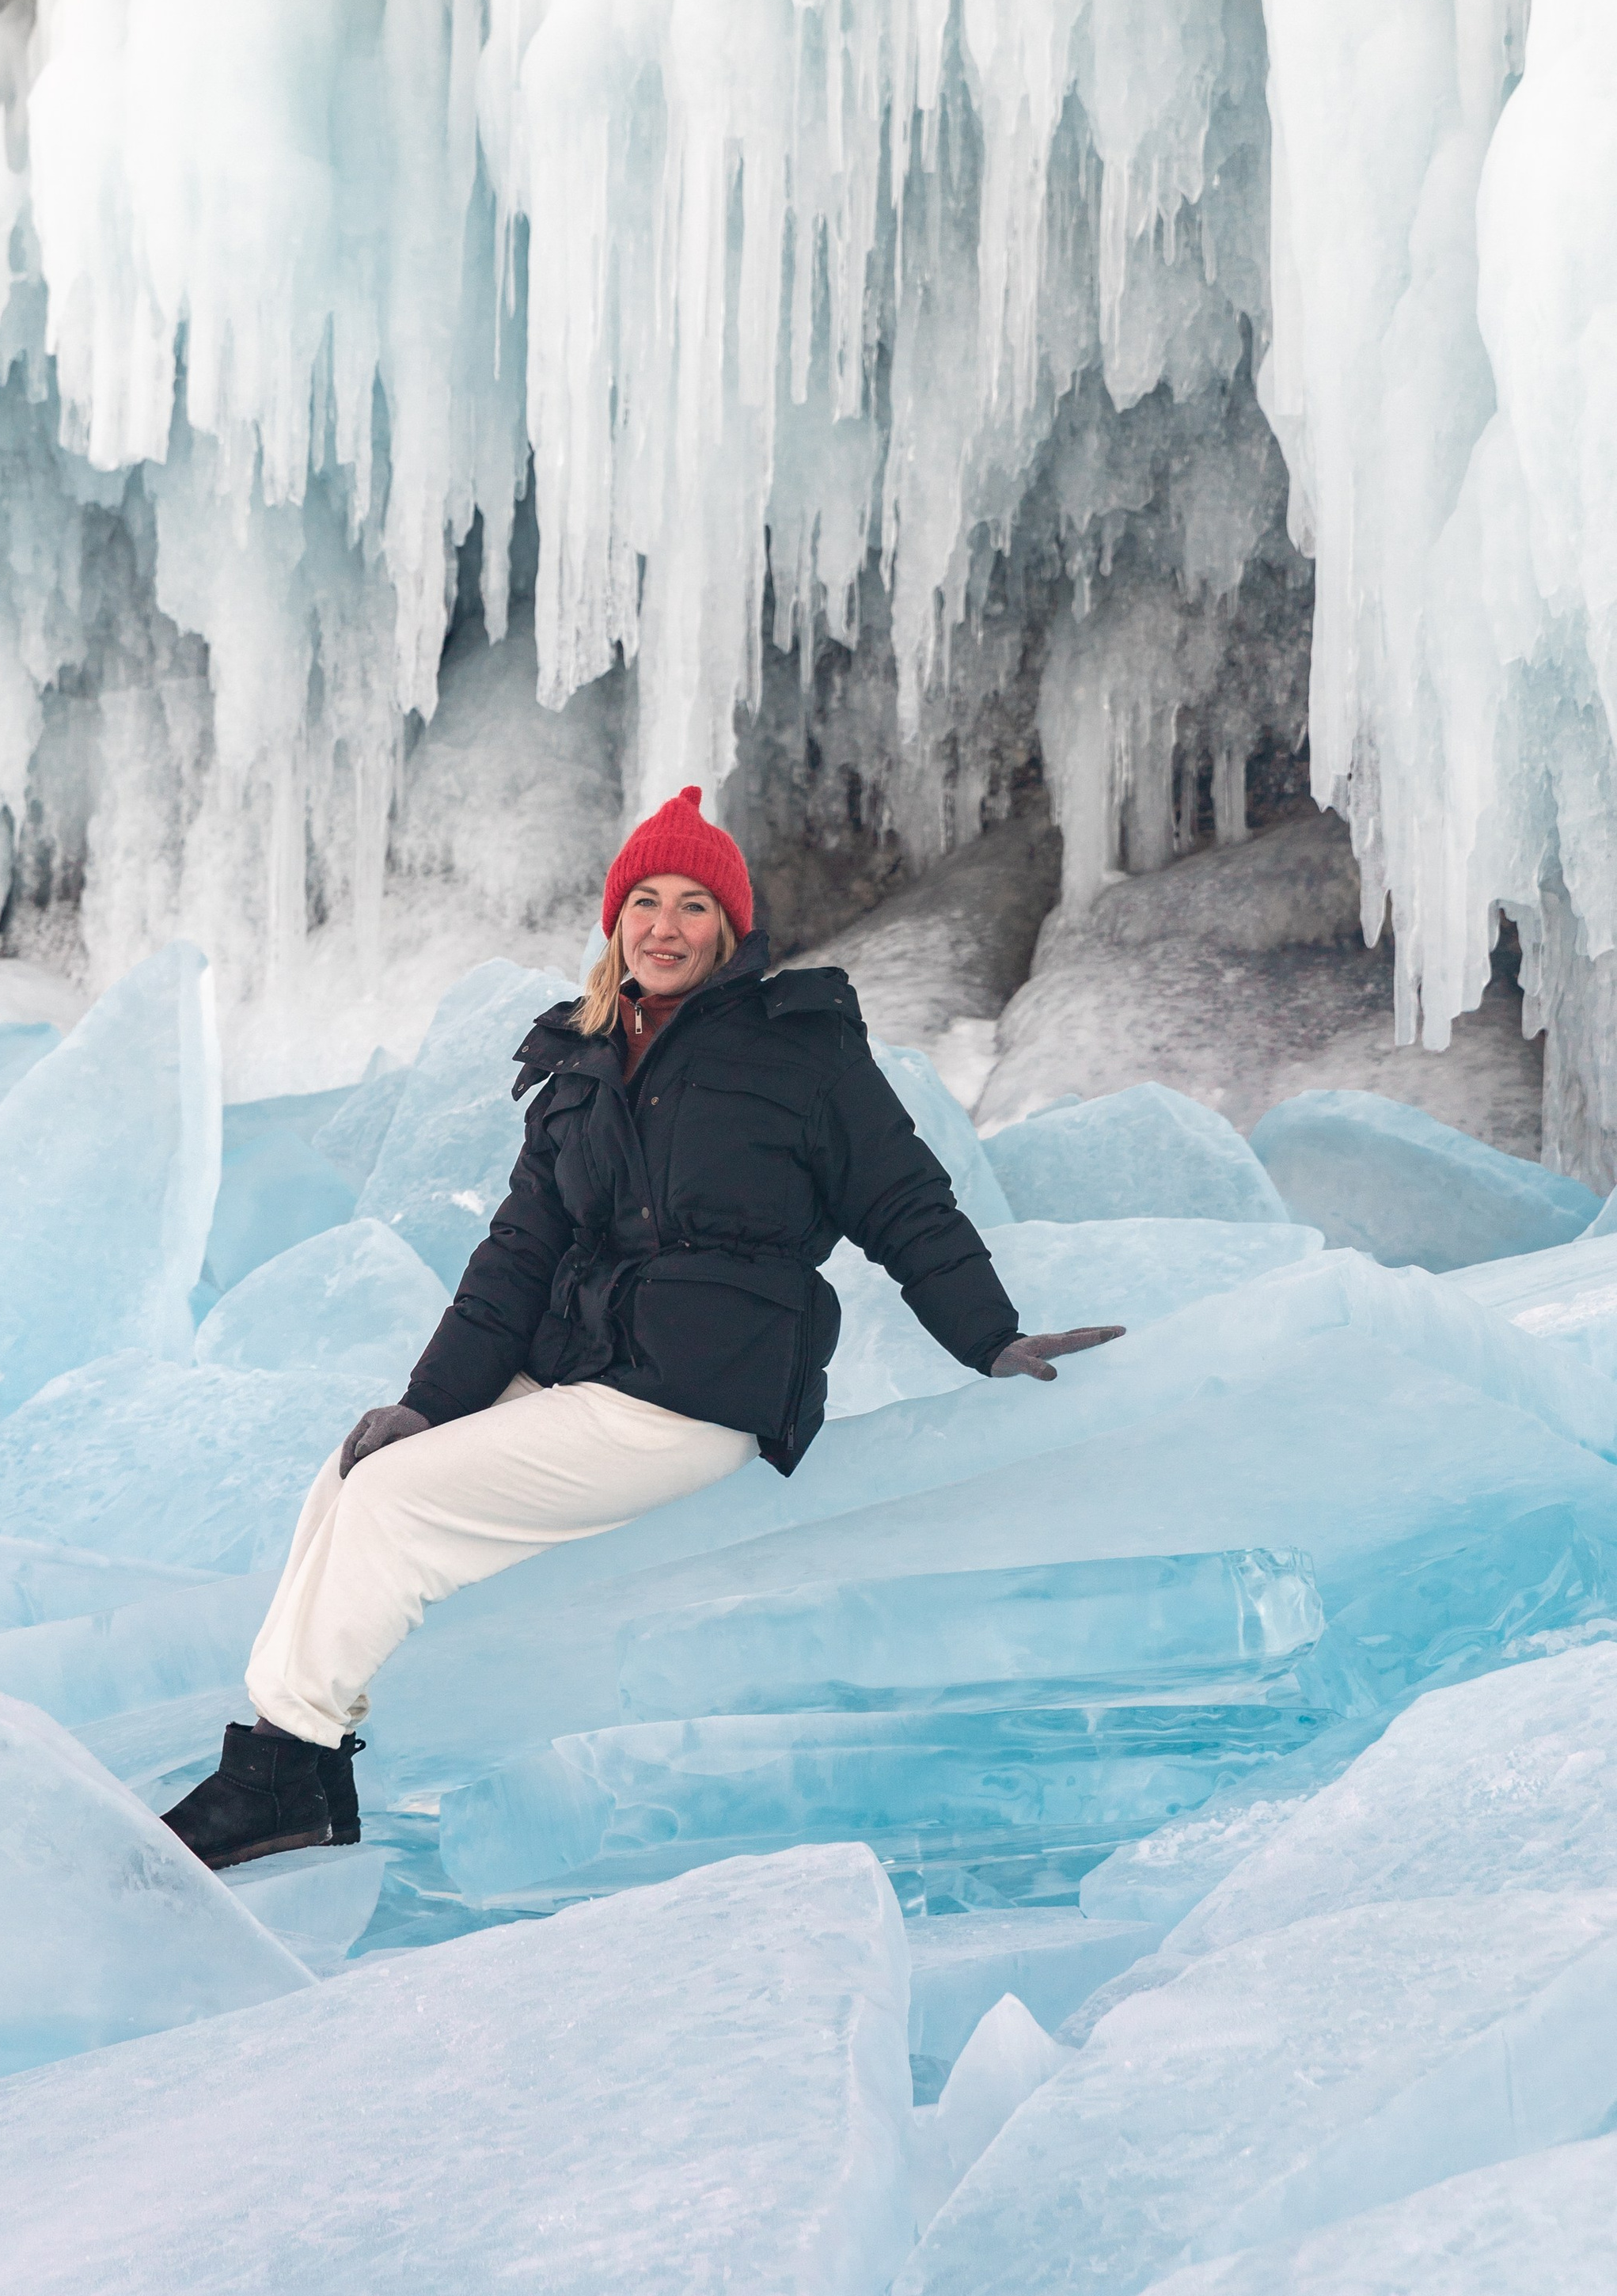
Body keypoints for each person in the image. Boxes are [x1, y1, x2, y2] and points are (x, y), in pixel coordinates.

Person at [163, 784, 1122, 1869]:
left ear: (732, 929)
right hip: (584, 1363)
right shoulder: (578, 1061)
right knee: (353, 1467)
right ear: (616, 920)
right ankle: (304, 1773)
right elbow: (515, 1261)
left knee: (394, 1503)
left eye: (695, 905)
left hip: (701, 1386)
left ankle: (283, 1768)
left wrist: (990, 1334)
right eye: (646, 901)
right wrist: (426, 1402)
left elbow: (905, 1200)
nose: (665, 926)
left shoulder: (800, 1050)